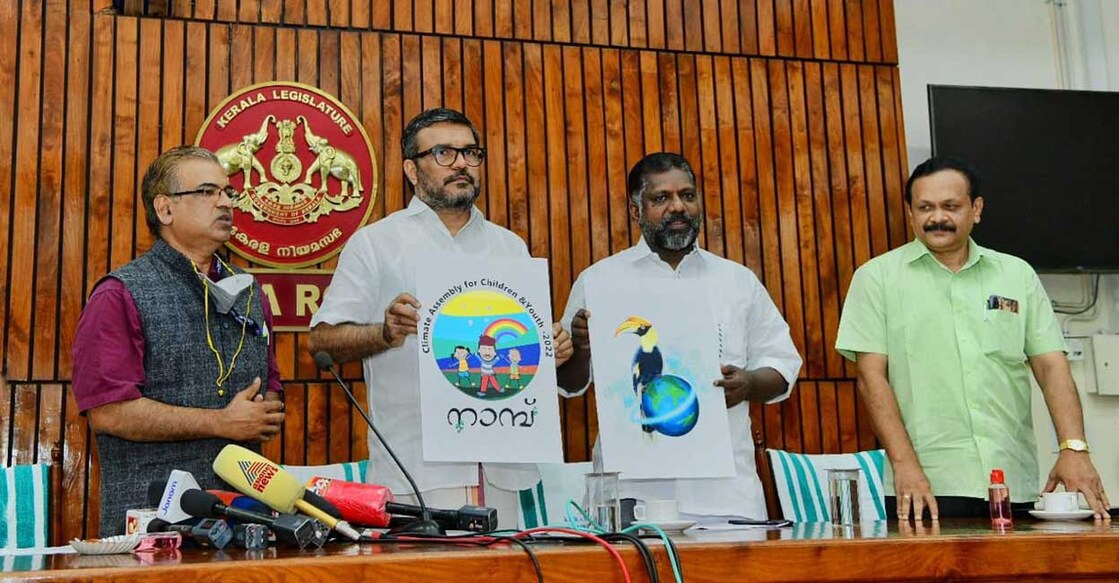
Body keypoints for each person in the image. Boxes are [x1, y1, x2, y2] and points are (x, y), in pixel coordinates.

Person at [308, 108, 573, 521]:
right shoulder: (376, 244)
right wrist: (385, 332)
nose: (462, 164)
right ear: (412, 171)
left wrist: (549, 348)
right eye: (444, 154)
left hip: (504, 469)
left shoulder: (509, 247)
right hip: (417, 473)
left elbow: (522, 355)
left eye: (470, 152)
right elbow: (321, 341)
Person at [835, 156, 1110, 521]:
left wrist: (1073, 448)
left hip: (1013, 479)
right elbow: (871, 378)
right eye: (925, 208)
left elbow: (1050, 365)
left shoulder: (1016, 274)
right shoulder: (877, 279)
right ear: (910, 213)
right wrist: (904, 464)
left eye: (951, 206)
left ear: (976, 209)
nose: (937, 218)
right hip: (927, 486)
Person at [557, 152, 802, 522]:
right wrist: (581, 350)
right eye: (661, 198)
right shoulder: (598, 281)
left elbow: (783, 366)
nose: (678, 207)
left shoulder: (737, 282)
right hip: (630, 497)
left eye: (687, 196)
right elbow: (569, 384)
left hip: (726, 500)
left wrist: (748, 384)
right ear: (636, 210)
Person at [72, 146, 285, 536]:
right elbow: (108, 412)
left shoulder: (251, 291)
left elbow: (270, 388)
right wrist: (222, 422)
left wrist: (265, 411)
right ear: (165, 209)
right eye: (207, 192)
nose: (225, 202)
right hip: (153, 523)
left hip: (244, 518)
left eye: (228, 192)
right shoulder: (120, 294)